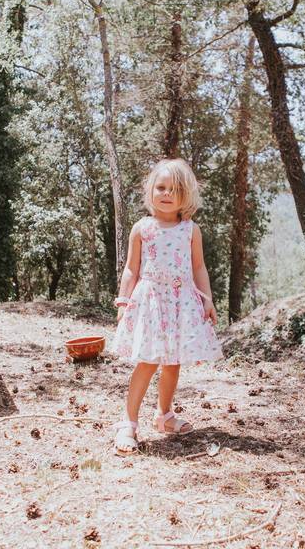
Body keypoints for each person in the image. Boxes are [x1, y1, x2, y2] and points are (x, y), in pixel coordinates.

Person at [110, 158, 222, 455]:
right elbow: (131, 269)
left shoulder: (190, 230)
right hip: (150, 302)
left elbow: (199, 268)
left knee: (173, 363)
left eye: (173, 189)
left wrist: (206, 299)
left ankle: (164, 415)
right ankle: (129, 423)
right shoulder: (142, 228)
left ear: (185, 195)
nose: (166, 194)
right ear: (151, 191)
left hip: (180, 302)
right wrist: (124, 301)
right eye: (160, 187)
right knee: (147, 361)